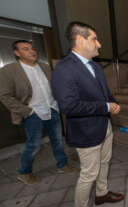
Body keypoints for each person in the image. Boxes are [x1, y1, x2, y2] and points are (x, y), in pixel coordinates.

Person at [51, 22, 124, 207]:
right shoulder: (64, 69)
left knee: (104, 163)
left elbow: (104, 93)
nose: (99, 44)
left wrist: (113, 103)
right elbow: (69, 106)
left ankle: (101, 194)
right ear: (80, 40)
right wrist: (105, 106)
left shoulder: (95, 66)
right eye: (95, 39)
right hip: (86, 132)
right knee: (89, 174)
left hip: (105, 126)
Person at [0, 40, 76, 185]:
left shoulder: (45, 67)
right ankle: (24, 172)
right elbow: (4, 95)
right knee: (34, 145)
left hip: (52, 109)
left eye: (32, 48)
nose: (32, 51)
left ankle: (62, 164)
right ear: (17, 53)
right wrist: (26, 111)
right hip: (32, 113)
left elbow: (55, 87)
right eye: (25, 49)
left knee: (58, 140)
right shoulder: (9, 70)